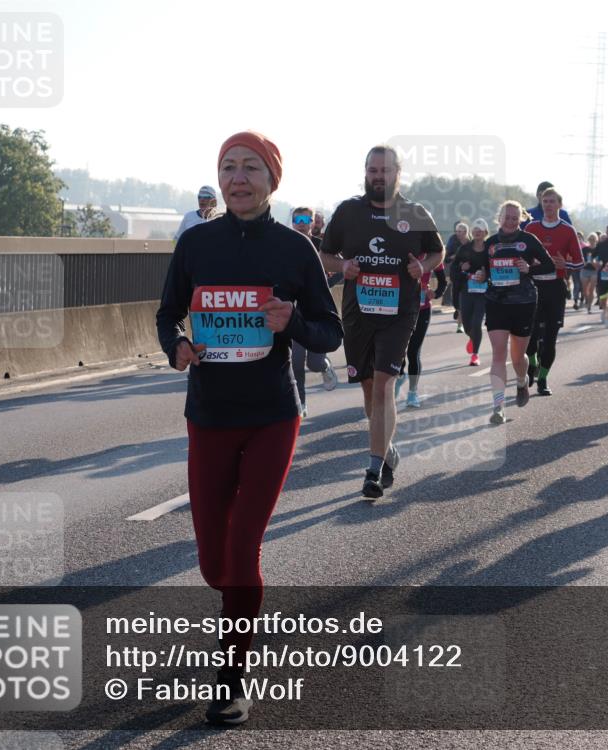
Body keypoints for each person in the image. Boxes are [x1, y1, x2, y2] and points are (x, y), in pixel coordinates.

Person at [156, 131, 343, 724]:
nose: (238, 178)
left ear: (272, 180)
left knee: (242, 549)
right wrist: (178, 346)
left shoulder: (294, 249)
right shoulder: (196, 244)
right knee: (214, 563)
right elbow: (166, 315)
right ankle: (236, 607)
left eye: (251, 169)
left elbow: (330, 332)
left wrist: (291, 323)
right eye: (228, 168)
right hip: (209, 415)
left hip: (271, 417)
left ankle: (231, 676)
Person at [319, 145, 443, 499]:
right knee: (369, 387)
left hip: (399, 312)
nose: (377, 176)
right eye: (372, 170)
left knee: (385, 385)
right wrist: (342, 267)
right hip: (358, 312)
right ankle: (386, 450)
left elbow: (438, 250)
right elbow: (325, 255)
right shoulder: (348, 212)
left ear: (397, 173)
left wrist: (424, 266)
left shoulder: (414, 212)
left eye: (384, 170)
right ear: (365, 172)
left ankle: (373, 470)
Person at [475, 201, 554, 424]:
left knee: (518, 357)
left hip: (524, 302)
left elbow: (549, 265)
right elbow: (483, 269)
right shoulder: (490, 244)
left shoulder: (528, 240)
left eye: (514, 218)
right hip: (496, 302)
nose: (510, 221)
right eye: (506, 217)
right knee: (499, 354)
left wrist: (530, 269)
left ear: (520, 219)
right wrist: (481, 276)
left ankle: (521, 380)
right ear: (498, 218)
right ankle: (498, 407)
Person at [523, 186, 583, 395]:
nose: (548, 205)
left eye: (552, 201)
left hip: (555, 288)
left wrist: (564, 264)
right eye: (545, 201)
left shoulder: (568, 230)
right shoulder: (531, 228)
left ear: (560, 204)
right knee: (529, 335)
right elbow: (521, 256)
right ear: (541, 204)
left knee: (550, 337)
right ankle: (531, 363)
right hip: (533, 286)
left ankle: (543, 379)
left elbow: (579, 262)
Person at [290, 206, 339, 415]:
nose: (301, 222)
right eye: (297, 219)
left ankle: (326, 368)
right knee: (296, 362)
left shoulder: (321, 245)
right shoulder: (286, 243)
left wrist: (327, 283)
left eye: (305, 219)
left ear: (312, 222)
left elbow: (341, 268)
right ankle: (301, 403)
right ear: (292, 222)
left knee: (315, 362)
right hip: (295, 312)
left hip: (318, 311)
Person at [394, 257, 446, 407]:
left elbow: (442, 282)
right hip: (399, 309)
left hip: (422, 309)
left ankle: (412, 392)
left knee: (413, 351)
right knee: (398, 350)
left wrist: (435, 294)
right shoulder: (401, 253)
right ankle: (399, 376)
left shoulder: (433, 257)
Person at [456, 219, 490, 366]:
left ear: (486, 233)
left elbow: (495, 269)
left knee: (477, 323)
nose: (477, 231)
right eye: (475, 229)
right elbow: (454, 269)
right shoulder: (464, 249)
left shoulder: (491, 249)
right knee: (468, 324)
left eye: (480, 229)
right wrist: (462, 268)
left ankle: (475, 355)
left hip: (484, 293)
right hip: (467, 291)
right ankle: (473, 338)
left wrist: (486, 275)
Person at [445, 222, 470, 331]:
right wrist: (454, 257)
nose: (458, 233)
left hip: (468, 275)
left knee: (464, 299)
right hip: (455, 274)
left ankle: (460, 325)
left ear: (465, 232)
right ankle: (457, 310)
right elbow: (446, 259)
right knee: (456, 299)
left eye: (460, 231)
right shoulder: (453, 241)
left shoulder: (470, 243)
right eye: (457, 231)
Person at [578, 231, 599, 312]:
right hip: (585, 270)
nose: (592, 240)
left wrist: (594, 263)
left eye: (593, 239)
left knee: (591, 289)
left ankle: (589, 306)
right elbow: (580, 260)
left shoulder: (598, 249)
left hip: (594, 271)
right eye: (590, 239)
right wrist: (586, 262)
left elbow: (599, 262)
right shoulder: (584, 249)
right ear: (588, 239)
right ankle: (587, 301)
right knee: (584, 289)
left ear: (596, 240)